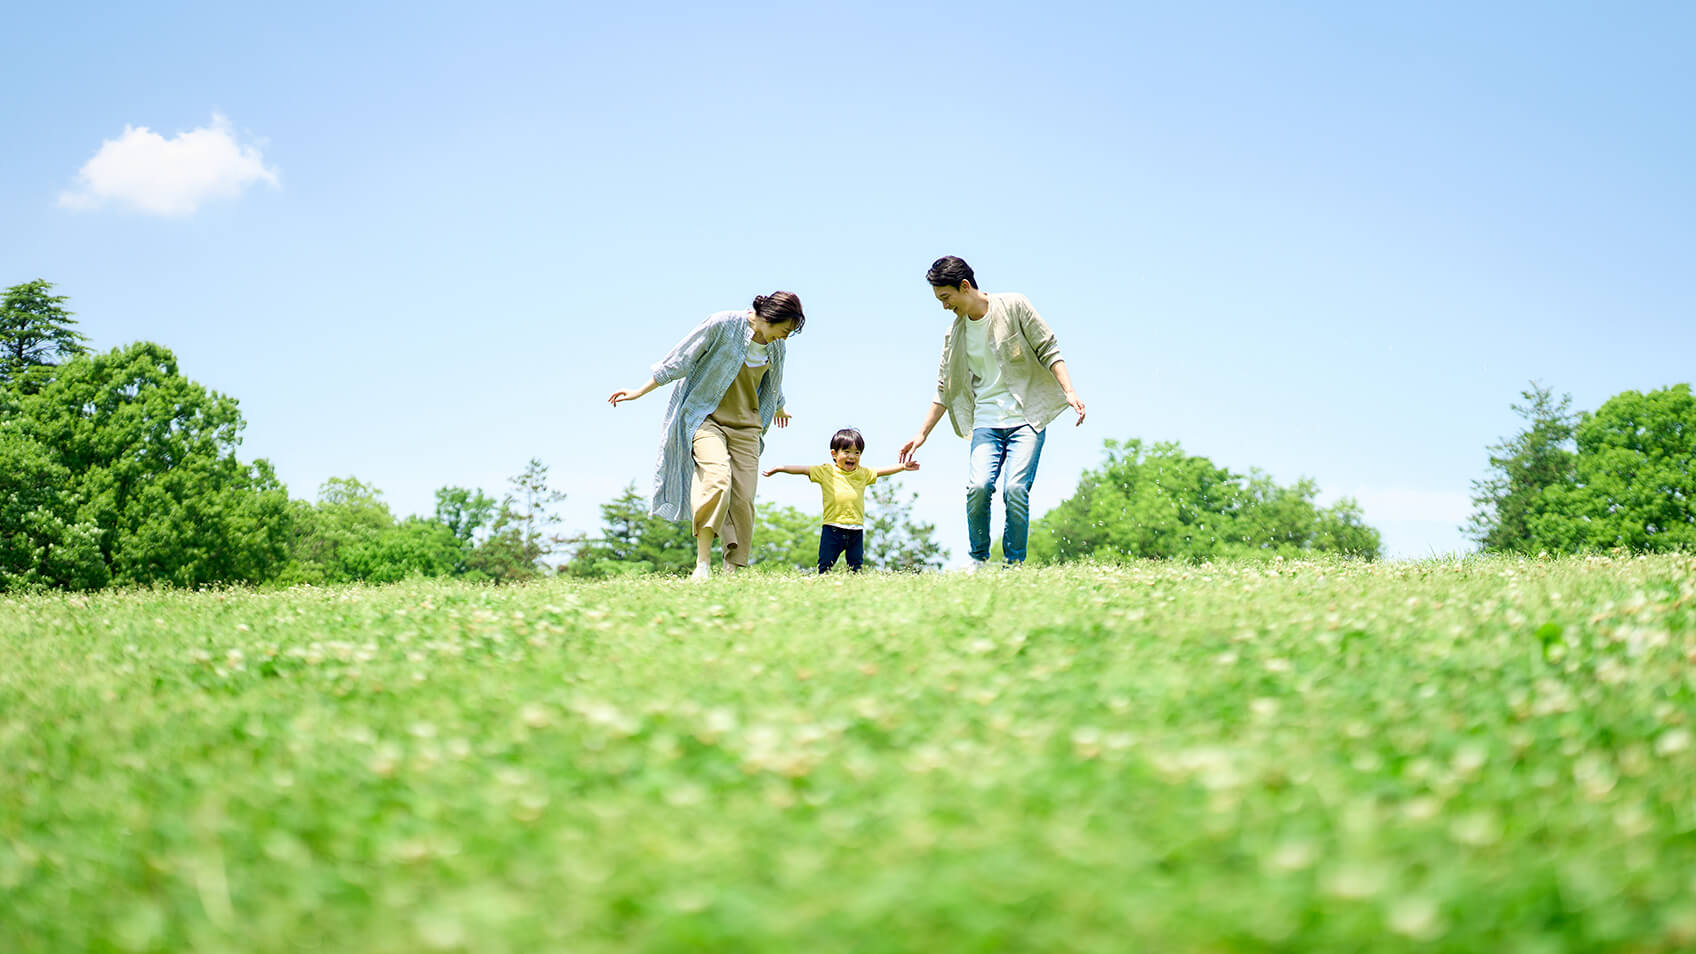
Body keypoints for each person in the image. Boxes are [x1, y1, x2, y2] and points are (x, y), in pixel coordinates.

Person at [898, 256, 1085, 568]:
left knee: (1015, 489)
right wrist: (921, 434)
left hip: (1027, 418)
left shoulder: (1014, 305)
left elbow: (1049, 348)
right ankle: (979, 559)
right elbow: (945, 389)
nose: (944, 306)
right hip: (986, 421)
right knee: (979, 487)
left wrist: (1069, 391)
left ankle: (1014, 564)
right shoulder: (954, 334)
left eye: (946, 297)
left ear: (965, 286)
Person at [609, 292, 804, 581]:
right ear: (769, 317)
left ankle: (733, 570)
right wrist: (639, 390)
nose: (784, 338)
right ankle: (702, 564)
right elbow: (680, 359)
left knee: (743, 498)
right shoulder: (722, 324)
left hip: (747, 427)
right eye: (784, 330)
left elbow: (773, 385)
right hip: (706, 419)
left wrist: (781, 407)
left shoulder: (776, 349)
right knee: (716, 479)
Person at [763, 427, 919, 573]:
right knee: (824, 566)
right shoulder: (826, 471)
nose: (852, 456)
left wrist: (902, 467)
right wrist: (779, 468)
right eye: (847, 451)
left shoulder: (862, 473)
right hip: (833, 529)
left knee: (856, 567)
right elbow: (802, 470)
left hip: (856, 530)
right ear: (834, 454)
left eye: (857, 452)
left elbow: (881, 471)